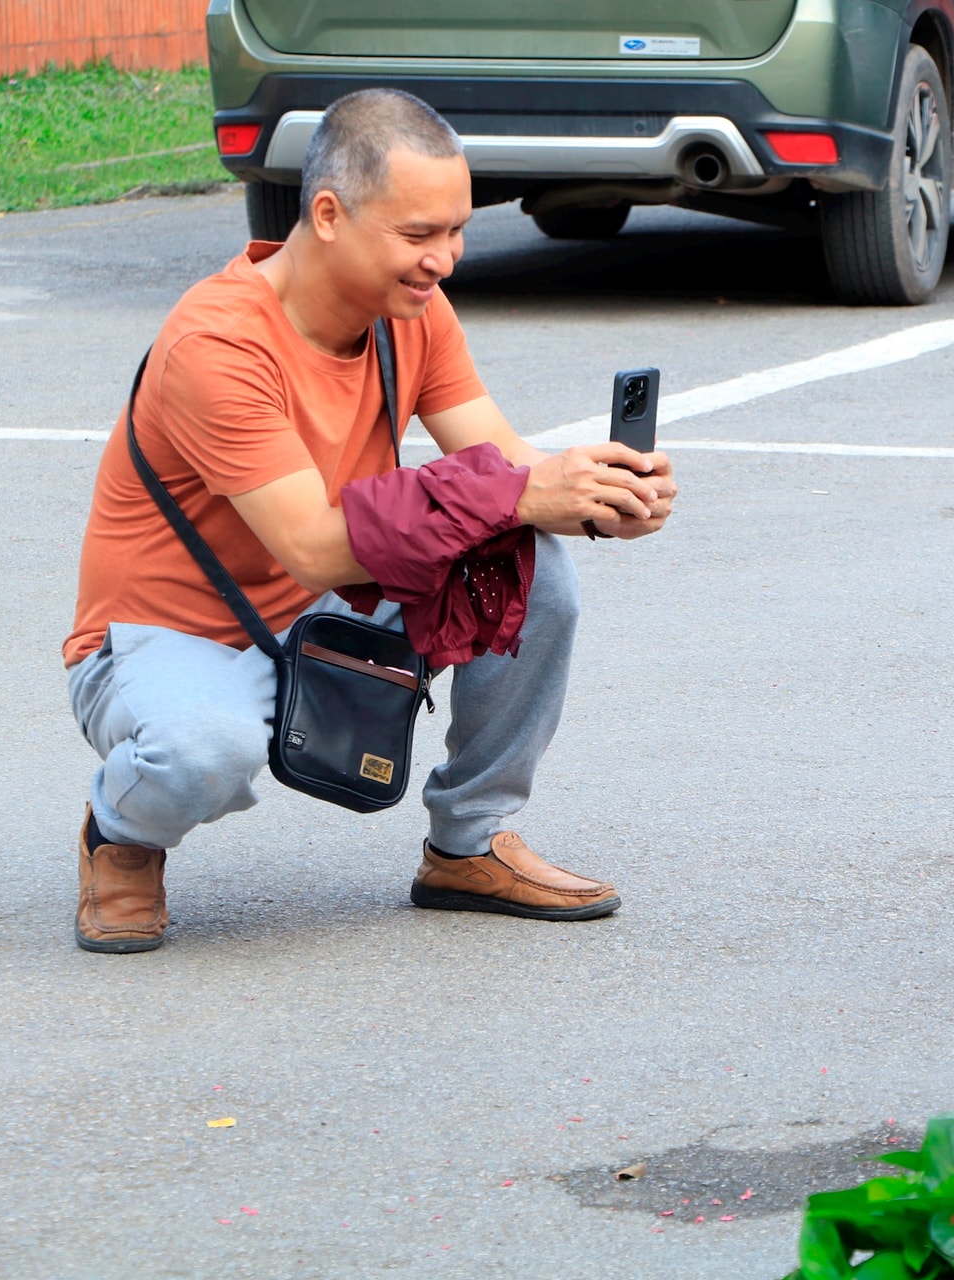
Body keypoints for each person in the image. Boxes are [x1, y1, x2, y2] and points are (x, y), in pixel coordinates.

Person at [62, 89, 677, 953]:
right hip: (167, 640)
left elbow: (503, 463)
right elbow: (312, 545)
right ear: (327, 215)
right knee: (203, 751)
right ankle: (120, 834)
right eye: (418, 234)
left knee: (528, 564)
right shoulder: (218, 344)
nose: (445, 260)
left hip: (322, 609)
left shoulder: (410, 313)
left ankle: (468, 843)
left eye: (456, 231)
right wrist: (520, 492)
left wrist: (602, 498)